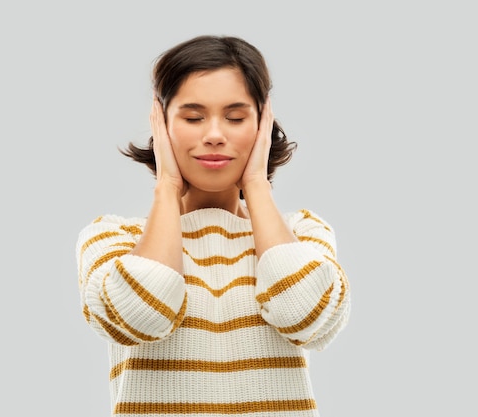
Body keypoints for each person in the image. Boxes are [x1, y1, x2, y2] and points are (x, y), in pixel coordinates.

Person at [75, 34, 351, 416]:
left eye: (236, 118)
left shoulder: (304, 233)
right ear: (161, 124)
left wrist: (255, 185)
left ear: (263, 124)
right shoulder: (113, 238)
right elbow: (142, 315)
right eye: (192, 117)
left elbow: (305, 316)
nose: (215, 135)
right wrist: (167, 187)